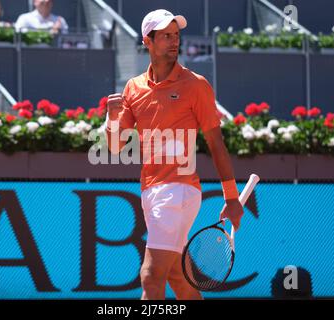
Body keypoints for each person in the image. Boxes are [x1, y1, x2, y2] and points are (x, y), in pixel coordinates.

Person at [105, 9, 245, 300]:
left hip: (177, 192)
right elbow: (116, 146)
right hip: (153, 190)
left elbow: (216, 144)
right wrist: (111, 117)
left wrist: (231, 197)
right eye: (166, 36)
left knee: (151, 276)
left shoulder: (196, 86)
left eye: (176, 35)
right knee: (177, 275)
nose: (173, 41)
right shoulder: (133, 88)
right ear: (148, 41)